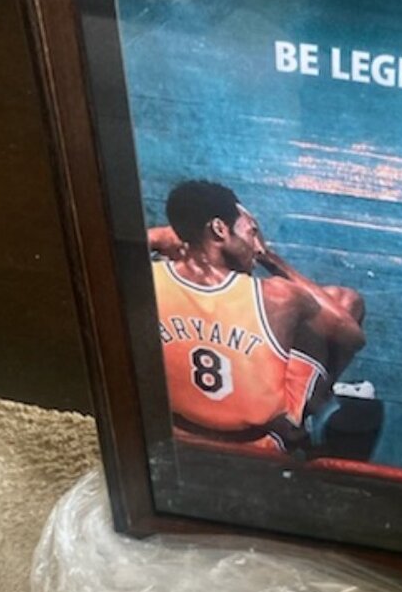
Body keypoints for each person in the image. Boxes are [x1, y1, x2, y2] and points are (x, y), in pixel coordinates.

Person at [148, 180, 365, 453]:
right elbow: (351, 336)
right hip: (258, 444)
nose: (257, 243)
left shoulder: (147, 278)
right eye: (252, 232)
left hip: (176, 432)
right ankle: (312, 409)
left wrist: (162, 236)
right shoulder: (279, 297)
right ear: (219, 229)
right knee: (347, 300)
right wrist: (269, 259)